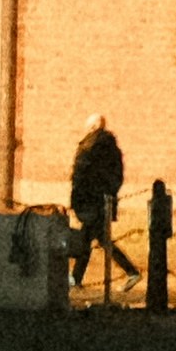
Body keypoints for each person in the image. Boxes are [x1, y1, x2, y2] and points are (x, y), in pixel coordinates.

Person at [67, 116, 132, 301]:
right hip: (103, 200)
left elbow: (80, 176)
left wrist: (76, 200)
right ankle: (76, 277)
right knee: (97, 238)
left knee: (90, 237)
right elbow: (117, 176)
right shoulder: (113, 149)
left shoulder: (89, 147)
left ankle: (130, 271)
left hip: (89, 200)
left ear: (93, 127)